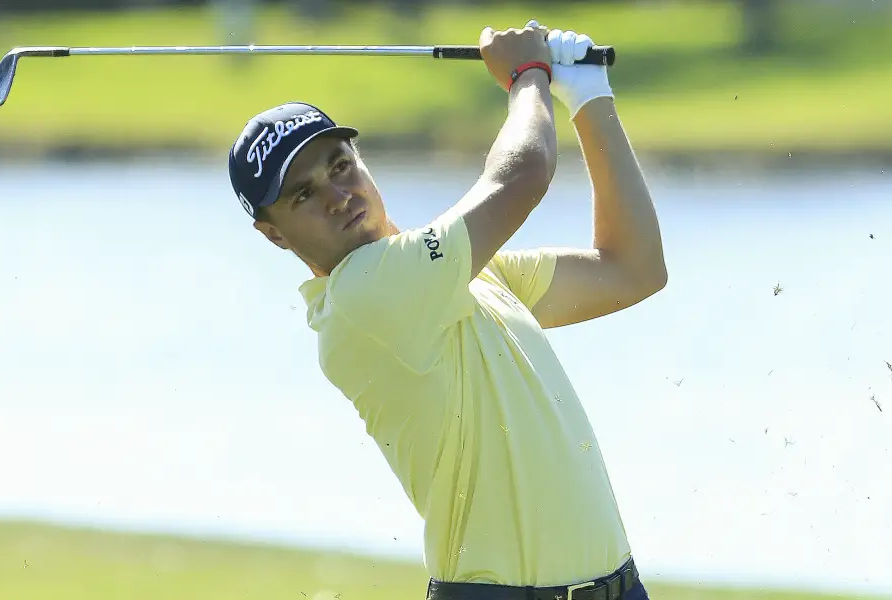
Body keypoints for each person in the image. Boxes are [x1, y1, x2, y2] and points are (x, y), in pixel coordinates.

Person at [227, 19, 666, 600]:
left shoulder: (462, 276)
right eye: (303, 195)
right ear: (274, 235)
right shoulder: (363, 294)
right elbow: (524, 173)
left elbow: (633, 268)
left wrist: (588, 94)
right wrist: (529, 75)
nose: (338, 196)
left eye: (340, 166)